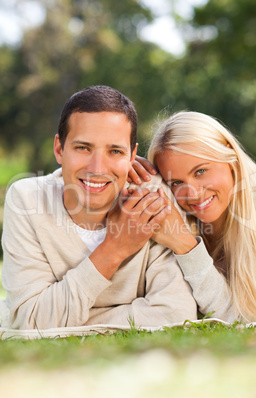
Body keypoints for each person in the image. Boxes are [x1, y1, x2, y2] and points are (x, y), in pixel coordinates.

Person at [0, 86, 197, 330]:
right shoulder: (27, 200)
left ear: (132, 155)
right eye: (83, 148)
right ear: (60, 149)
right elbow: (29, 320)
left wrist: (64, 316)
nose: (98, 168)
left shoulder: (152, 197)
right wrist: (114, 249)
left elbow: (175, 314)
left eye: (115, 151)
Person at [128, 111, 256, 323]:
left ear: (229, 157)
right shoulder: (171, 214)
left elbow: (245, 320)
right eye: (176, 182)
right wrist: (120, 168)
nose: (192, 193)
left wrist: (186, 245)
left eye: (200, 171)